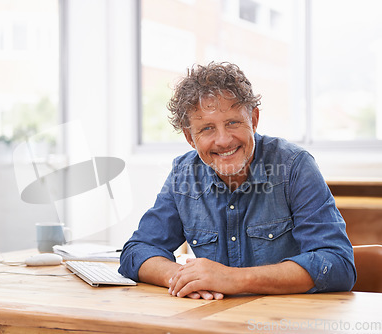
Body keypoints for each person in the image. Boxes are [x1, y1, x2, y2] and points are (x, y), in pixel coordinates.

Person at [118, 62, 356, 300]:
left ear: (253, 119)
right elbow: (137, 251)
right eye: (207, 128)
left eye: (232, 123)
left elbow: (336, 264)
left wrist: (231, 279)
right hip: (214, 320)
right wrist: (186, 278)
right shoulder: (184, 174)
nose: (223, 140)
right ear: (190, 137)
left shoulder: (294, 166)